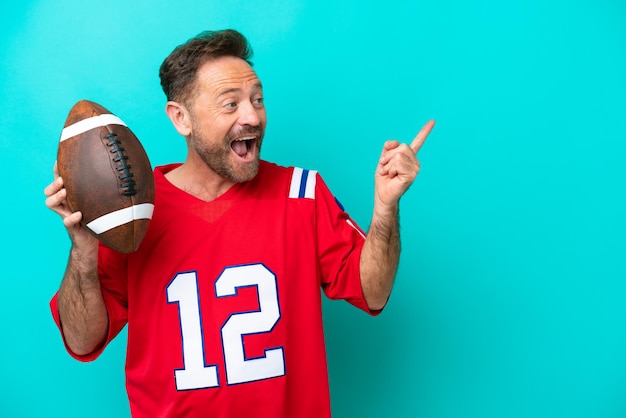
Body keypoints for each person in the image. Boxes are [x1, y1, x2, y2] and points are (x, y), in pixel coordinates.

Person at [44, 29, 435, 418]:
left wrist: (385, 208)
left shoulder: (302, 193)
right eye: (230, 104)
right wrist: (84, 249)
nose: (252, 117)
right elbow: (82, 341)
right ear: (181, 118)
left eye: (258, 100)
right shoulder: (134, 212)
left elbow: (373, 293)